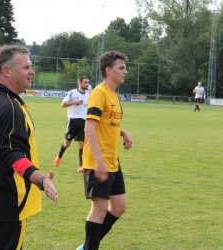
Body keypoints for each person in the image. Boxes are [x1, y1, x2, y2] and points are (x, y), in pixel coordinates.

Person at [0, 44, 59, 250]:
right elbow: (13, 155)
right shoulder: (9, 107)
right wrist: (41, 179)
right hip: (7, 204)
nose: (32, 71)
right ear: (6, 71)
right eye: (26, 67)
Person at [77, 51, 133, 250]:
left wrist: (123, 132)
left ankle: (87, 245)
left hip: (112, 161)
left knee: (119, 207)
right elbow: (89, 127)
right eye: (121, 67)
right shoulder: (99, 93)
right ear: (108, 70)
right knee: (99, 210)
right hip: (97, 162)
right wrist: (99, 161)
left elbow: (105, 123)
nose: (125, 71)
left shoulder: (114, 95)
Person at [54, 76, 90, 173]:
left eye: (88, 82)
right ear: (80, 83)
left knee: (82, 143)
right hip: (72, 121)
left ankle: (81, 165)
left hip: (83, 121)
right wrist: (75, 102)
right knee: (67, 143)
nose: (87, 84)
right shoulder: (72, 93)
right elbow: (63, 104)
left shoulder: (88, 95)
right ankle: (59, 156)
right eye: (85, 82)